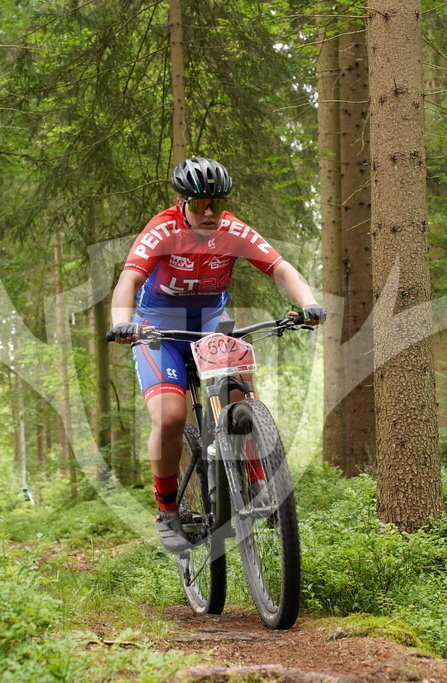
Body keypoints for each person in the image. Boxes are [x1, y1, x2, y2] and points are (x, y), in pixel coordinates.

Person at [108, 157, 326, 553]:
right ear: (181, 202)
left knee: (242, 395)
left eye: (217, 204)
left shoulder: (232, 230)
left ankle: (260, 482)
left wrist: (308, 304)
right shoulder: (163, 229)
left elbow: (281, 269)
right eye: (198, 205)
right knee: (170, 417)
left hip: (211, 319)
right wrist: (124, 322)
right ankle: (168, 510)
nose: (208, 213)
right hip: (160, 325)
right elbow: (129, 279)